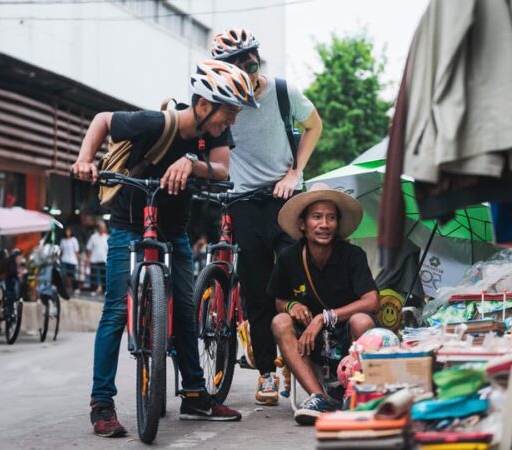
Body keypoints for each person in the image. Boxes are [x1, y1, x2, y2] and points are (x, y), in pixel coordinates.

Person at [71, 60, 257, 438]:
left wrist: (191, 162)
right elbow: (104, 119)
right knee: (114, 312)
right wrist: (84, 159)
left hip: (174, 229)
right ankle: (101, 403)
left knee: (187, 309)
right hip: (127, 224)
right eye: (229, 112)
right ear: (204, 105)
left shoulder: (213, 137)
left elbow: (222, 169)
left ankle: (194, 394)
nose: (231, 122)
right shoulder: (156, 123)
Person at [211, 27, 323, 406]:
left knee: (300, 280)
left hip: (285, 196)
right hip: (243, 201)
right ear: (225, 68)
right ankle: (267, 374)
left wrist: (295, 172)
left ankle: (308, 360)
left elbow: (315, 125)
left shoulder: (281, 90)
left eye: (251, 55)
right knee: (257, 290)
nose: (248, 64)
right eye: (238, 60)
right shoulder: (222, 101)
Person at [268, 183, 379, 425]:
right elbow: (279, 299)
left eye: (330, 218)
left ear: (337, 224)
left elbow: (371, 301)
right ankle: (318, 397)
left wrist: (324, 317)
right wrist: (290, 307)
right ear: (302, 223)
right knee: (280, 322)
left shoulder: (353, 256)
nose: (324, 224)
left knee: (363, 320)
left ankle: (356, 391)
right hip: (309, 343)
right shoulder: (289, 257)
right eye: (317, 217)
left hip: (346, 337)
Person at [85, 221, 108, 295]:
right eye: (101, 227)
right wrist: (88, 259)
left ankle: (104, 290)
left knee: (104, 276)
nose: (103, 228)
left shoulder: (107, 237)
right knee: (93, 276)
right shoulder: (93, 237)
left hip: (103, 259)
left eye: (104, 227)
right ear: (98, 228)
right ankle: (93, 290)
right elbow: (89, 249)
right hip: (94, 259)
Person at [60, 227, 80, 293]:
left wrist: (77, 260)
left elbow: (76, 251)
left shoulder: (74, 240)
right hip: (64, 259)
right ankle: (69, 287)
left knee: (72, 274)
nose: (67, 233)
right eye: (66, 231)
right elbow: (61, 251)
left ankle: (75, 287)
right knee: (65, 274)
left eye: (68, 231)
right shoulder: (63, 240)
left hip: (72, 260)